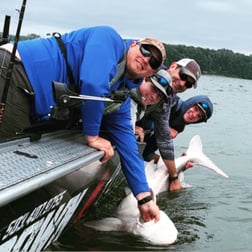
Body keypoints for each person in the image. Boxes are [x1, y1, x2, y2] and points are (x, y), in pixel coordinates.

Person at [0, 26, 167, 222]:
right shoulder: (108, 38)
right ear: (133, 45)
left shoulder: (120, 94)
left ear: (151, 72)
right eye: (145, 50)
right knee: (8, 162)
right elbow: (93, 84)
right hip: (14, 73)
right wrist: (92, 136)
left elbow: (127, 143)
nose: (146, 59)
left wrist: (144, 198)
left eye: (153, 62)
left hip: (30, 100)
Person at [138, 58, 202, 192]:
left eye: (188, 85)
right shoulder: (146, 69)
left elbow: (163, 141)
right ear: (173, 66)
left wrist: (175, 171)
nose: (183, 83)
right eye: (183, 76)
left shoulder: (166, 102)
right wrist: (130, 125)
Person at [137, 95, 213, 162]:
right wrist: (165, 129)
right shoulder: (170, 102)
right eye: (195, 109)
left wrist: (178, 162)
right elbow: (141, 115)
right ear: (190, 103)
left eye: (199, 116)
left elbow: (146, 153)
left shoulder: (178, 127)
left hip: (134, 148)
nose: (194, 115)